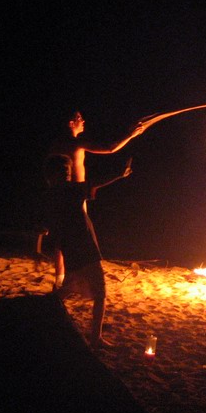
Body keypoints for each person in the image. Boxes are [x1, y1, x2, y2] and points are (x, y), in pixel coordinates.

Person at [41, 153, 133, 348]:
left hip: (71, 247)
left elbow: (48, 225)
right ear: (53, 174)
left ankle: (42, 315)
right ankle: (95, 338)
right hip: (83, 247)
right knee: (100, 293)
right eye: (64, 170)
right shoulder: (69, 191)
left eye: (68, 170)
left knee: (68, 288)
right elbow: (95, 182)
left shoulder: (50, 195)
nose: (68, 172)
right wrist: (119, 174)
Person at [47, 109, 144, 288]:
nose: (83, 120)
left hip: (59, 195)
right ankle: (75, 278)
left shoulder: (55, 144)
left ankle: (60, 279)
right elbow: (110, 148)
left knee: (62, 238)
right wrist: (130, 134)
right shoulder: (75, 142)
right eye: (78, 118)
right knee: (79, 238)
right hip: (75, 196)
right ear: (70, 123)